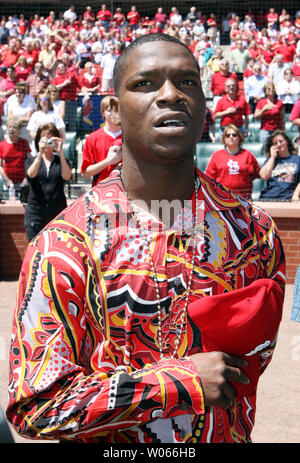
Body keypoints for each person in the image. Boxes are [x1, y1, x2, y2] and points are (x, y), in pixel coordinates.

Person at [6, 33, 285, 444]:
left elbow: (248, 370)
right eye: (146, 83)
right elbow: (34, 407)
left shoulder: (254, 233)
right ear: (115, 110)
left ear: (204, 106)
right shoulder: (64, 245)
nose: (171, 94)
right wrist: (178, 384)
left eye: (187, 82)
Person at [23, 122, 72, 241]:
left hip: (57, 211)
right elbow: (30, 174)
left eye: (51, 138)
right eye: (44, 138)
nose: (48, 142)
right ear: (38, 141)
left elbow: (67, 176)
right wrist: (40, 154)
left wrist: (60, 152)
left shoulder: (61, 160)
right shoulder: (32, 160)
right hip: (36, 213)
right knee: (35, 250)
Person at [205, 124, 260, 200]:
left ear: (239, 138)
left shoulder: (247, 155)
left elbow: (256, 174)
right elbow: (209, 179)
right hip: (222, 199)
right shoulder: (217, 155)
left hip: (243, 199)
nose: (231, 137)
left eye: (234, 135)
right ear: (224, 139)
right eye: (228, 135)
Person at [81, 95, 122, 186]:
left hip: (127, 191)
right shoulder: (92, 138)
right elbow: (85, 173)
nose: (114, 113)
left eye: (117, 109)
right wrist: (108, 161)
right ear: (103, 113)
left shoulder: (130, 137)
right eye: (109, 110)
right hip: (101, 191)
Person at [259, 130, 300, 201]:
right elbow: (264, 176)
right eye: (275, 143)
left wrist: (296, 194)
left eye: (281, 141)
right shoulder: (270, 160)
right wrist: (272, 157)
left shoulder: (297, 159)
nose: (278, 144)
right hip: (269, 197)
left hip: (288, 198)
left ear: (286, 141)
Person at [27, 90, 65, 156]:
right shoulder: (35, 115)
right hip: (38, 146)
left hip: (52, 146)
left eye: (45, 99)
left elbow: (60, 131)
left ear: (48, 101)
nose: (43, 101)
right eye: (40, 99)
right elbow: (31, 132)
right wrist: (41, 139)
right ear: (38, 102)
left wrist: (50, 140)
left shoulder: (55, 114)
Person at [0, 116, 31, 197]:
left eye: (14, 127)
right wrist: (7, 180)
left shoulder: (24, 143)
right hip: (8, 183)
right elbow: (0, 166)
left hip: (23, 182)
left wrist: (26, 179)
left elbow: (30, 162)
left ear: (20, 130)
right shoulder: (2, 145)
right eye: (9, 127)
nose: (12, 129)